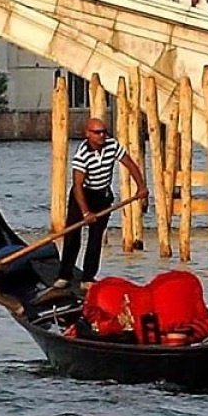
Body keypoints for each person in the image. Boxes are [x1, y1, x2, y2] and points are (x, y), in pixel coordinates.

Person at [45, 113, 148, 295]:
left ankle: (87, 278)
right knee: (72, 235)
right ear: (88, 134)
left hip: (102, 196)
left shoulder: (112, 145)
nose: (102, 136)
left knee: (95, 238)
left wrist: (141, 187)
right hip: (82, 195)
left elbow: (130, 164)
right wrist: (85, 213)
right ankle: (64, 275)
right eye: (97, 133)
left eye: (104, 132)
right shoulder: (81, 155)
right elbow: (77, 186)